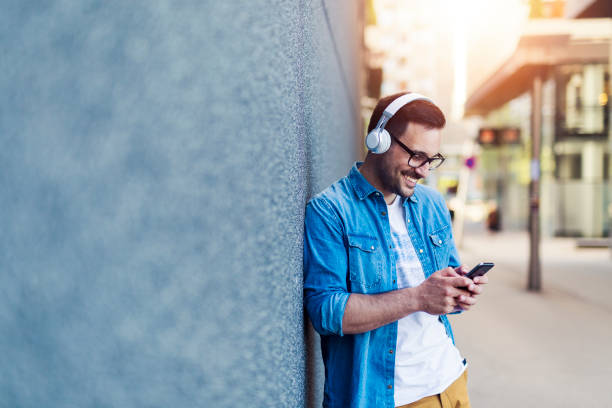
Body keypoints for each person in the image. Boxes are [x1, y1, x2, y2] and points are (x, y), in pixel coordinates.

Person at [303, 92, 488, 408]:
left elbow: (442, 291)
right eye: (417, 156)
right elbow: (325, 311)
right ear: (379, 140)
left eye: (431, 160)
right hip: (388, 398)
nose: (424, 171)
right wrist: (418, 297)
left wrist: (456, 292)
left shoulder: (432, 204)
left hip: (451, 382)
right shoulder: (331, 211)